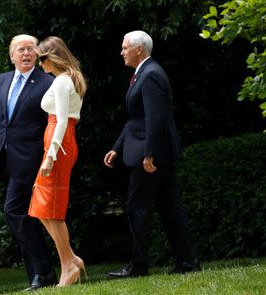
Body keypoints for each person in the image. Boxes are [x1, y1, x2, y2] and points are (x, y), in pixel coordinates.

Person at [103, 30, 200, 278]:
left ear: (139, 49)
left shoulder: (150, 75)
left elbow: (155, 119)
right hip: (152, 150)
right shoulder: (143, 73)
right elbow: (136, 118)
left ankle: (138, 265)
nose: (121, 52)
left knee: (137, 207)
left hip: (151, 155)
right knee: (169, 207)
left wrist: (148, 155)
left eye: (125, 48)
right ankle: (187, 262)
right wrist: (117, 146)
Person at [0, 34, 58, 291]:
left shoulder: (47, 81)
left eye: (31, 49)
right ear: (11, 56)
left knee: (13, 211)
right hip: (9, 161)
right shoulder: (0, 81)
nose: (27, 53)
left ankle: (44, 270)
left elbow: (53, 122)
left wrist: (49, 156)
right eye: (21, 49)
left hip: (36, 161)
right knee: (25, 218)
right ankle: (38, 277)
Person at [28, 36, 87, 287]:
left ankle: (68, 264)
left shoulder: (63, 81)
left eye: (42, 58)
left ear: (53, 56)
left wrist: (51, 155)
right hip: (58, 143)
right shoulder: (64, 80)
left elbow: (62, 121)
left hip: (59, 144)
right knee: (41, 206)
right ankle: (71, 259)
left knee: (51, 208)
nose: (40, 64)